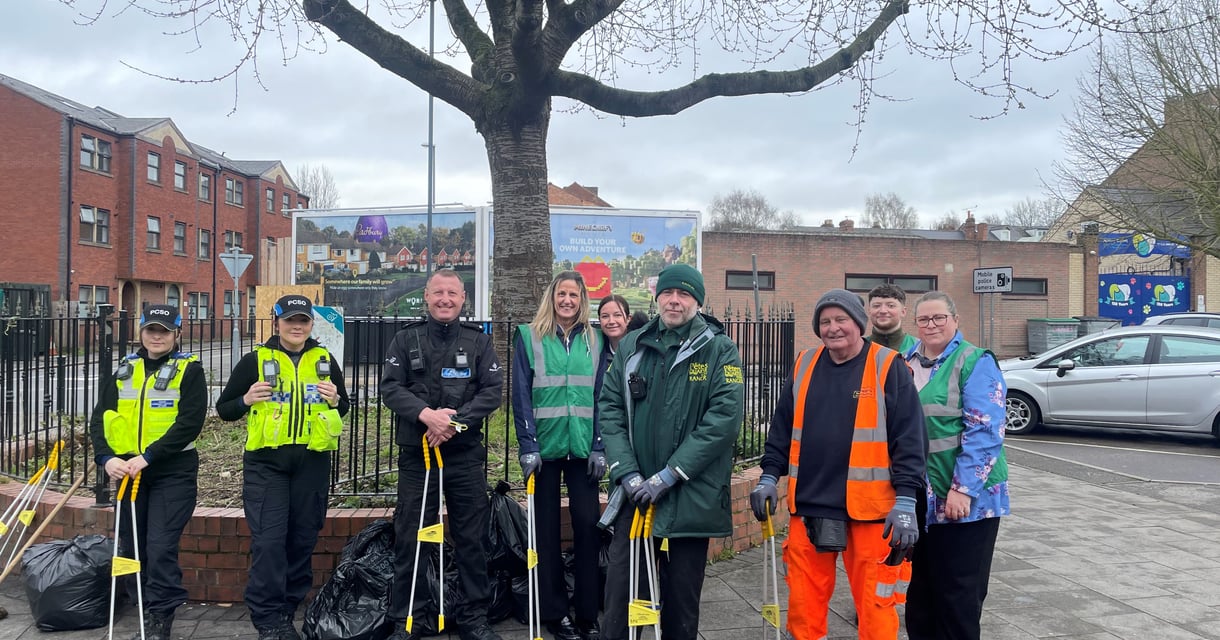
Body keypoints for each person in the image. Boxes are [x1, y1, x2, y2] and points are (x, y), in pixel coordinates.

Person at [750, 288, 926, 640]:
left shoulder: (888, 366)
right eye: (825, 321)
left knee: (875, 610)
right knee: (804, 606)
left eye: (841, 320)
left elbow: (909, 437)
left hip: (872, 512)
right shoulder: (804, 364)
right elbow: (782, 427)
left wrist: (906, 499)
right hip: (812, 505)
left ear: (858, 323)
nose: (833, 328)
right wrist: (769, 475)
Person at [599, 263, 744, 640]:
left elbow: (724, 420)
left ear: (697, 300)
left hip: (691, 495)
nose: (674, 301)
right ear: (657, 296)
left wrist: (670, 474)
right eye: (668, 293)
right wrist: (627, 473)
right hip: (636, 495)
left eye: (684, 294)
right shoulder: (633, 345)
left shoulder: (720, 350)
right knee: (621, 600)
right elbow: (610, 407)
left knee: (681, 604)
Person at [215, 295, 350, 640]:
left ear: (311, 325)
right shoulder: (255, 361)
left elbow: (344, 405)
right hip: (267, 465)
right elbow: (225, 409)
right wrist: (246, 399)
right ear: (276, 322)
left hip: (312, 462)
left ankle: (288, 607)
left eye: (303, 321)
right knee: (270, 541)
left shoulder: (324, 359)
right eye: (290, 320)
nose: (296, 326)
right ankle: (268, 615)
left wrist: (335, 400)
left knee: (302, 539)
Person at [379, 269, 504, 640]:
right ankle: (409, 618)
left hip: (464, 456)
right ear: (426, 297)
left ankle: (473, 617)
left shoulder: (478, 343)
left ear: (463, 298)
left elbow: (492, 391)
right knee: (412, 534)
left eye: (452, 293)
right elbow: (390, 387)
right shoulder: (405, 340)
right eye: (438, 293)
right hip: (418, 457)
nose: (445, 299)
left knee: (471, 537)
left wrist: (455, 423)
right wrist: (427, 415)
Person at [89, 304, 206, 640]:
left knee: (159, 545)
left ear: (177, 334)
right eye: (151, 329)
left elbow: (189, 423)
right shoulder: (126, 368)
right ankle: (142, 606)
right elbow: (101, 417)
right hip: (128, 471)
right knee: (132, 543)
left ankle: (160, 614)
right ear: (140, 332)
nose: (157, 336)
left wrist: (149, 456)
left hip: (172, 471)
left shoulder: (190, 370)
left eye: (164, 330)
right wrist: (106, 458)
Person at [902, 291, 1010, 640]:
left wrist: (963, 490)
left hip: (965, 500)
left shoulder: (976, 361)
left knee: (958, 596)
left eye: (939, 318)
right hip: (922, 497)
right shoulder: (906, 363)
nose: (931, 325)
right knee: (921, 595)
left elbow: (985, 429)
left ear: (955, 320)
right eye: (923, 319)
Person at [513, 271, 604, 640]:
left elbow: (602, 395)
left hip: (583, 450)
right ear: (551, 297)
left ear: (583, 300)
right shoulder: (528, 335)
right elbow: (520, 394)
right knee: (546, 533)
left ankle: (587, 614)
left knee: (587, 528)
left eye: (574, 295)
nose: (567, 300)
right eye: (562, 293)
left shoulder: (594, 340)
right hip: (545, 451)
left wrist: (599, 444)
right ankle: (555, 614)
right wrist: (528, 445)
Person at [867, 283, 916, 352]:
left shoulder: (918, 348)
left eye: (890, 306)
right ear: (869, 311)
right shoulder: (858, 348)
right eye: (876, 306)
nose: (883, 311)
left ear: (903, 312)